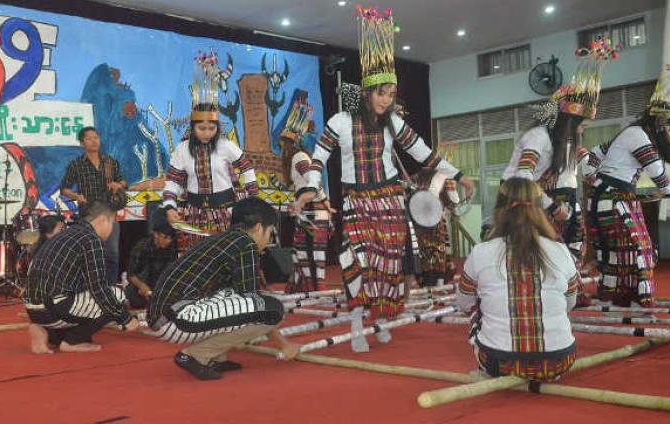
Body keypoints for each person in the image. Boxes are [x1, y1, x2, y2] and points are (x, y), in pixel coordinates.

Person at [295, 5, 473, 352]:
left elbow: (425, 154)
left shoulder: (395, 124)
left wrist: (460, 175)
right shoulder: (340, 122)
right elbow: (318, 159)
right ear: (367, 92)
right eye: (381, 93)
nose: (386, 100)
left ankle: (379, 319)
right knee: (358, 262)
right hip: (356, 201)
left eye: (391, 95)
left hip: (389, 201)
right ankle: (357, 323)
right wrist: (309, 189)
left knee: (389, 267)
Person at [148, 197, 300, 380]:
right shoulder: (245, 244)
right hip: (176, 320)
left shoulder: (224, 240)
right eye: (269, 233)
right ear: (259, 228)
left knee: (233, 297)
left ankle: (216, 358)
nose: (268, 240)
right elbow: (255, 304)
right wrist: (284, 345)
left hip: (164, 317)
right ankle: (195, 355)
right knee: (272, 309)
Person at [502, 38, 618, 275]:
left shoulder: (563, 143)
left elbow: (587, 166)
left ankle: (567, 284)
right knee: (541, 252)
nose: (582, 131)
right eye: (581, 125)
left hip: (546, 198)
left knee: (572, 243)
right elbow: (523, 178)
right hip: (522, 197)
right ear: (569, 121)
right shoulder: (538, 137)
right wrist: (553, 206)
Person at [457, 178, 579, 382]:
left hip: (498, 362)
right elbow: (570, 303)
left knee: (477, 305)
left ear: (499, 211)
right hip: (559, 361)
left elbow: (464, 303)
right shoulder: (560, 251)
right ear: (540, 211)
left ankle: (496, 363)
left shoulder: (481, 252)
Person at [585, 64, 670, 307]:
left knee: (621, 251)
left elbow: (595, 153)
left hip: (610, 196)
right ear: (659, 122)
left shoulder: (631, 132)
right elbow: (658, 174)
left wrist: (591, 176)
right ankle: (631, 297)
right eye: (668, 124)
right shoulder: (637, 136)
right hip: (613, 197)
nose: (669, 130)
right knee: (637, 248)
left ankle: (619, 297)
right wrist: (669, 191)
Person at [163, 49, 259, 252]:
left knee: (226, 256)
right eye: (202, 128)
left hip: (226, 212)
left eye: (211, 128)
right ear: (193, 127)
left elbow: (247, 168)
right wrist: (170, 206)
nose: (207, 133)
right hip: (194, 214)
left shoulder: (225, 145)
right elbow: (173, 181)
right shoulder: (182, 149)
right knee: (197, 257)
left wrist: (253, 198)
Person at [24, 201, 139, 354]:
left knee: (88, 303)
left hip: (32, 309)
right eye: (112, 223)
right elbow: (98, 287)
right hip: (53, 307)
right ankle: (72, 341)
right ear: (102, 220)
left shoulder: (67, 234)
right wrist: (125, 319)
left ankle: (48, 332)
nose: (112, 230)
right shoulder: (91, 239)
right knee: (116, 296)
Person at [279, 100, 334, 293]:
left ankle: (316, 288)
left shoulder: (299, 157)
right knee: (302, 251)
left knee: (312, 252)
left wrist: (325, 201)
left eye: (283, 141)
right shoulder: (297, 158)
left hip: (314, 209)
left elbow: (313, 181)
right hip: (309, 210)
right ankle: (310, 287)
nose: (281, 145)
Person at [60, 126, 127, 284]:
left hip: (109, 214)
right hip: (88, 216)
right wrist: (76, 196)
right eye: (89, 138)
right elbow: (64, 188)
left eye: (96, 137)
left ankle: (110, 288)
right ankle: (91, 288)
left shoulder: (110, 162)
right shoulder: (76, 164)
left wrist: (118, 185)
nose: (93, 141)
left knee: (112, 254)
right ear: (82, 143)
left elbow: (123, 181)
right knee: (91, 255)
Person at [124, 209, 178, 309]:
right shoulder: (142, 247)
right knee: (136, 301)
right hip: (142, 282)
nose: (168, 241)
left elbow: (172, 270)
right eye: (165, 237)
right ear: (156, 234)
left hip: (160, 283)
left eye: (170, 238)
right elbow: (130, 275)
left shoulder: (171, 247)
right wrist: (142, 287)